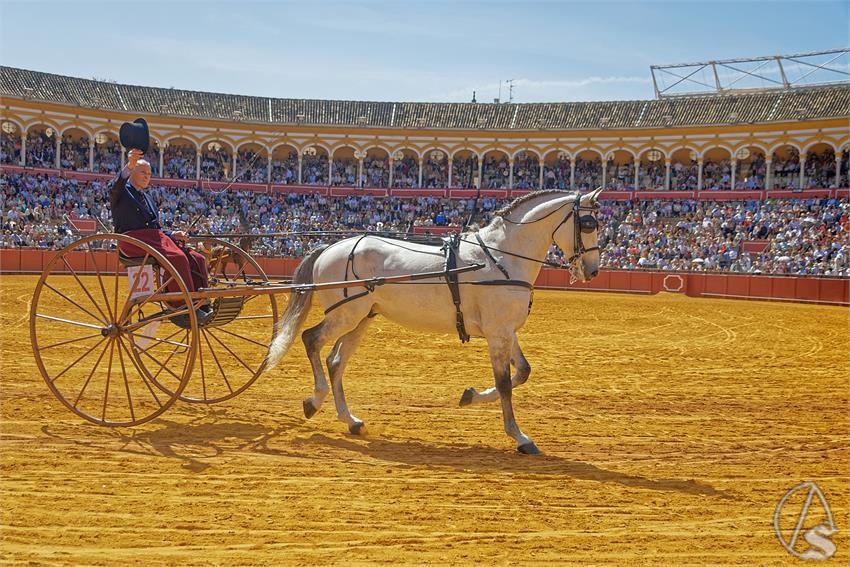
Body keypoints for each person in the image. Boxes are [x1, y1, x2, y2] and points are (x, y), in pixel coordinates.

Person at [110, 148, 212, 323]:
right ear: (132, 171)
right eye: (143, 172)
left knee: (197, 258)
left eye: (149, 173)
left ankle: (201, 302)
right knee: (177, 258)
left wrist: (173, 234)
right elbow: (115, 188)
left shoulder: (149, 198)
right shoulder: (122, 192)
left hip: (155, 239)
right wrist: (129, 165)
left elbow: (156, 228)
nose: (147, 176)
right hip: (133, 240)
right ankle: (182, 306)